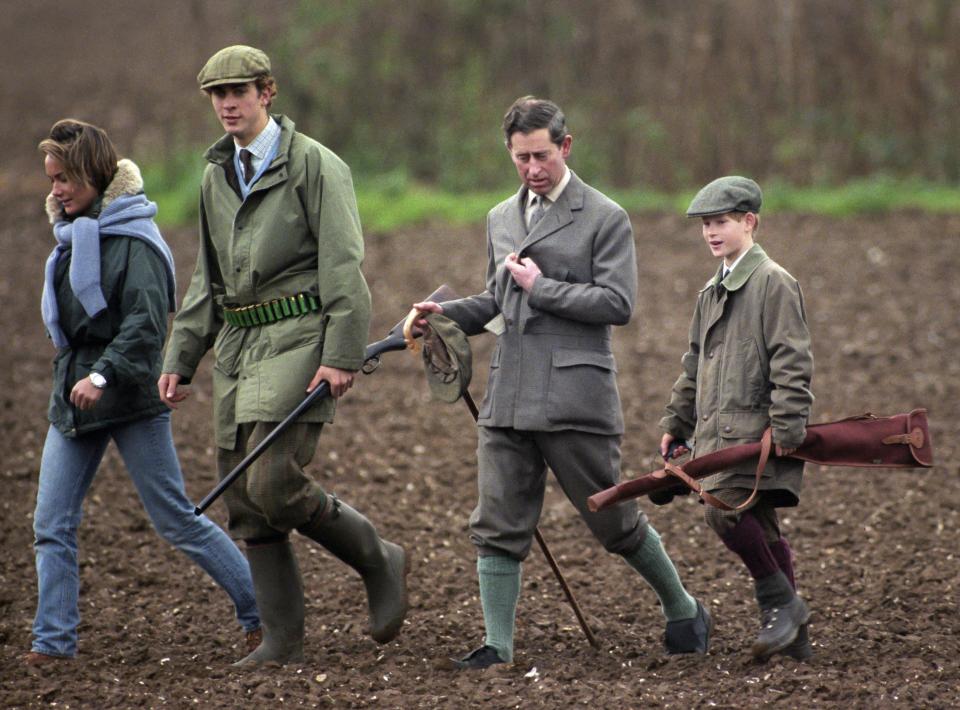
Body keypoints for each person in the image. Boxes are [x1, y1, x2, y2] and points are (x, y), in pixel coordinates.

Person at [413, 96, 711, 669]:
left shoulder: (605, 216)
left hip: (576, 398)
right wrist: (444, 314)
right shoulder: (500, 218)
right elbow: (497, 301)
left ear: (566, 146)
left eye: (542, 155)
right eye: (521, 158)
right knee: (497, 526)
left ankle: (683, 608)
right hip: (508, 396)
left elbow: (618, 303)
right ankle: (497, 646)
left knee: (615, 523)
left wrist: (541, 287)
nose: (532, 169)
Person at [158, 45, 408, 667]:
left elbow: (344, 264)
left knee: (272, 477)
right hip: (241, 346)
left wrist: (343, 352)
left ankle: (377, 556)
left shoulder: (316, 165)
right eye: (217, 95)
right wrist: (181, 354)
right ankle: (282, 640)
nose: (227, 104)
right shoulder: (215, 174)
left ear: (267, 92)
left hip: (300, 335)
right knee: (244, 496)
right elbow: (205, 279)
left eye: (238, 91)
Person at [27, 119, 260, 666]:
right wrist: (80, 379)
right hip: (74, 402)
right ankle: (53, 642)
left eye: (64, 179)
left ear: (93, 174)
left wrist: (102, 375)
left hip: (128, 396)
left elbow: (147, 326)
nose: (55, 191)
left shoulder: (137, 241)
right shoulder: (70, 237)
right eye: (52, 180)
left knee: (176, 519)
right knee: (50, 524)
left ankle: (262, 612)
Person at [657, 176, 815, 661]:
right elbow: (693, 365)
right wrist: (675, 423)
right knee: (763, 529)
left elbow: (793, 361)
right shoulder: (710, 291)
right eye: (706, 224)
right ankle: (794, 639)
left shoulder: (774, 283)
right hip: (714, 436)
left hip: (757, 435)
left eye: (721, 222)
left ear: (749, 222)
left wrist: (788, 427)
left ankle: (778, 604)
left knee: (721, 509)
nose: (711, 232)